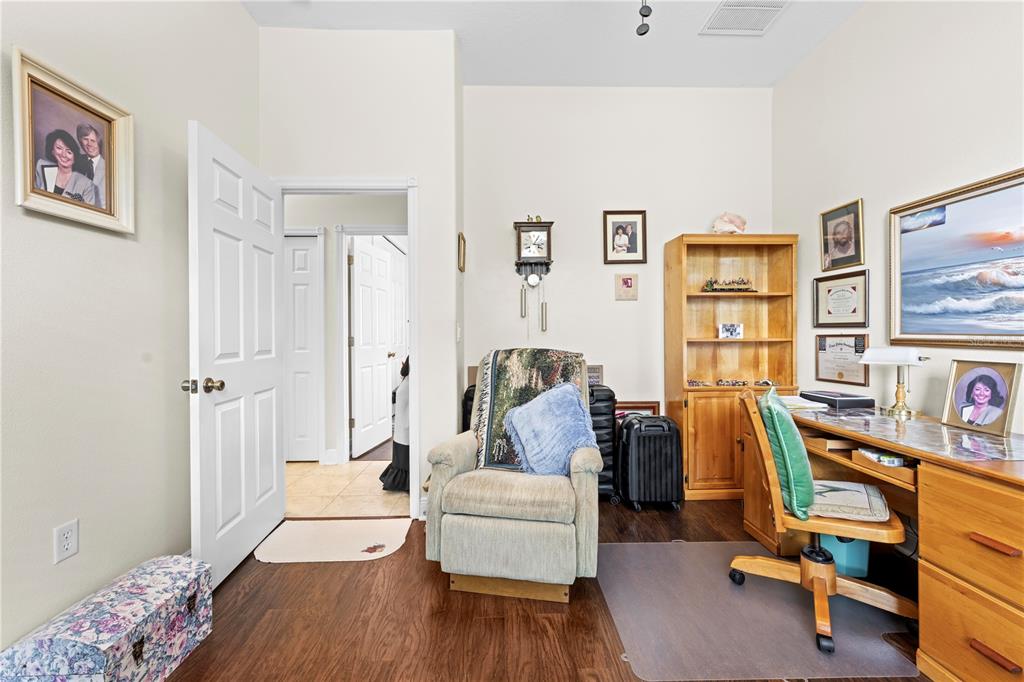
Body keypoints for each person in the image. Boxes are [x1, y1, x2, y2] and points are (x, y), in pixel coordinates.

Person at [34, 129, 97, 206]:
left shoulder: (87, 185)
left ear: (75, 157)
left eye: (69, 152)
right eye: (59, 148)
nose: (64, 155)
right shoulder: (41, 167)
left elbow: (88, 214)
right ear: (52, 151)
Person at [380, 356, 410, 492]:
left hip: (404, 426)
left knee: (402, 452)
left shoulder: (408, 381)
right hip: (403, 426)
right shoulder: (408, 381)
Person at [77, 123, 105, 209]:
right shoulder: (74, 162)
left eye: (93, 141)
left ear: (99, 143)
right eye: (85, 139)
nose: (89, 144)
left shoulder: (110, 169)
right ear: (80, 142)